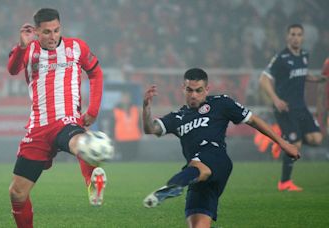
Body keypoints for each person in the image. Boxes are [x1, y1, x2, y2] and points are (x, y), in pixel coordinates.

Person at [142, 68, 300, 228]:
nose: (194, 95)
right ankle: (177, 184)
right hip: (196, 177)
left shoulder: (221, 103)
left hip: (216, 160)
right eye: (189, 90)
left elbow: (253, 120)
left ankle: (173, 185)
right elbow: (150, 129)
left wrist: (283, 143)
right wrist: (146, 108)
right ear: (183, 88)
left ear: (207, 89)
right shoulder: (177, 117)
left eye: (198, 90)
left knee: (197, 164)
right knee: (198, 225)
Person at [7, 8, 107, 228]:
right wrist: (21, 46)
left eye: (56, 30)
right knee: (17, 193)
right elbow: (12, 69)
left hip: (67, 120)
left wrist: (93, 111)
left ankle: (93, 181)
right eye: (46, 32)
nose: (53, 37)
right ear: (36, 32)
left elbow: (96, 73)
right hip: (38, 129)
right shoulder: (29, 49)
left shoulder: (76, 47)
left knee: (80, 142)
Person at [259, 24, 327, 192]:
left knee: (316, 139)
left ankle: (284, 140)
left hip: (301, 107)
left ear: (303, 37)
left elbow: (301, 74)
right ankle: (284, 182)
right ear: (287, 37)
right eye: (293, 34)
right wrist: (275, 100)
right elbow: (263, 79)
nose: (296, 37)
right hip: (285, 108)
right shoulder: (281, 57)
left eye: (299, 34)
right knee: (295, 145)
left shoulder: (304, 55)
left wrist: (315, 79)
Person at [113, 91, 142, 160]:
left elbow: (139, 123)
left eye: (127, 98)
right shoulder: (116, 110)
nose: (125, 100)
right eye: (124, 98)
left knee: (133, 158)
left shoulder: (135, 109)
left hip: (134, 137)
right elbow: (113, 124)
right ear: (121, 99)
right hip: (121, 138)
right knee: (124, 158)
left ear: (130, 99)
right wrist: (113, 135)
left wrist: (140, 132)